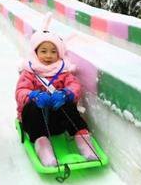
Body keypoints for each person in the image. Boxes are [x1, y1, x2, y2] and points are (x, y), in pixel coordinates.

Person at [15, 15, 97, 166]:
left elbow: (75, 85)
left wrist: (66, 94)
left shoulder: (63, 71)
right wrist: (33, 95)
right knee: (32, 108)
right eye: (44, 51)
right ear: (36, 52)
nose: (48, 55)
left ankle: (84, 143)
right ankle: (43, 147)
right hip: (36, 122)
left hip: (57, 121)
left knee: (69, 107)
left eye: (53, 52)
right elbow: (20, 91)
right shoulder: (29, 72)